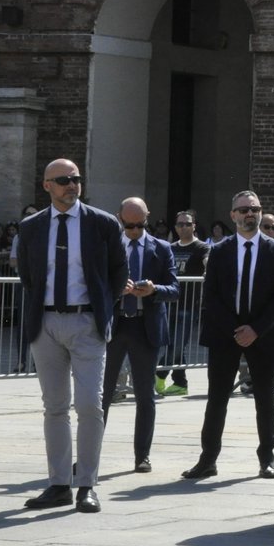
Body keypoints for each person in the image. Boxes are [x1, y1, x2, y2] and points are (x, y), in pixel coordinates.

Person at [17, 159, 128, 513]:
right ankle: (59, 483)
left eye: (76, 179)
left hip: (86, 323)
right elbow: (27, 275)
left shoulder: (103, 223)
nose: (72, 185)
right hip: (45, 323)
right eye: (63, 180)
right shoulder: (32, 227)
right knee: (54, 407)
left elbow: (117, 273)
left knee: (89, 405)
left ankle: (87, 484)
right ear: (47, 185)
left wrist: (101, 312)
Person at [183, 190, 274, 481]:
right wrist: (235, 330)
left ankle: (267, 458)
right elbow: (212, 296)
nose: (249, 214)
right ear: (232, 215)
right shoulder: (219, 250)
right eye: (242, 210)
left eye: (254, 209)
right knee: (217, 399)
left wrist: (255, 329)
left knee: (266, 400)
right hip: (225, 334)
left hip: (262, 335)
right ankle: (207, 460)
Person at [100, 198, 180, 474]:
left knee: (145, 396)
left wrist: (154, 289)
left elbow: (175, 288)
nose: (134, 230)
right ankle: (89, 455)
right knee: (102, 394)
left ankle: (142, 456)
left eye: (139, 225)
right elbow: (94, 286)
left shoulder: (161, 248)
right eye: (128, 225)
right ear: (119, 218)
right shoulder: (109, 247)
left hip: (145, 327)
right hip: (115, 325)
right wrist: (116, 290)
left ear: (147, 218)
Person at [159, 210, 208, 399]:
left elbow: (207, 261)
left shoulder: (201, 247)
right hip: (169, 303)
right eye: (180, 224)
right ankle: (180, 383)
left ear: (194, 226)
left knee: (178, 344)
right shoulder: (170, 247)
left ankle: (158, 374)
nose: (184, 227)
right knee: (172, 344)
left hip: (189, 305)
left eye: (188, 224)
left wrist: (208, 268)